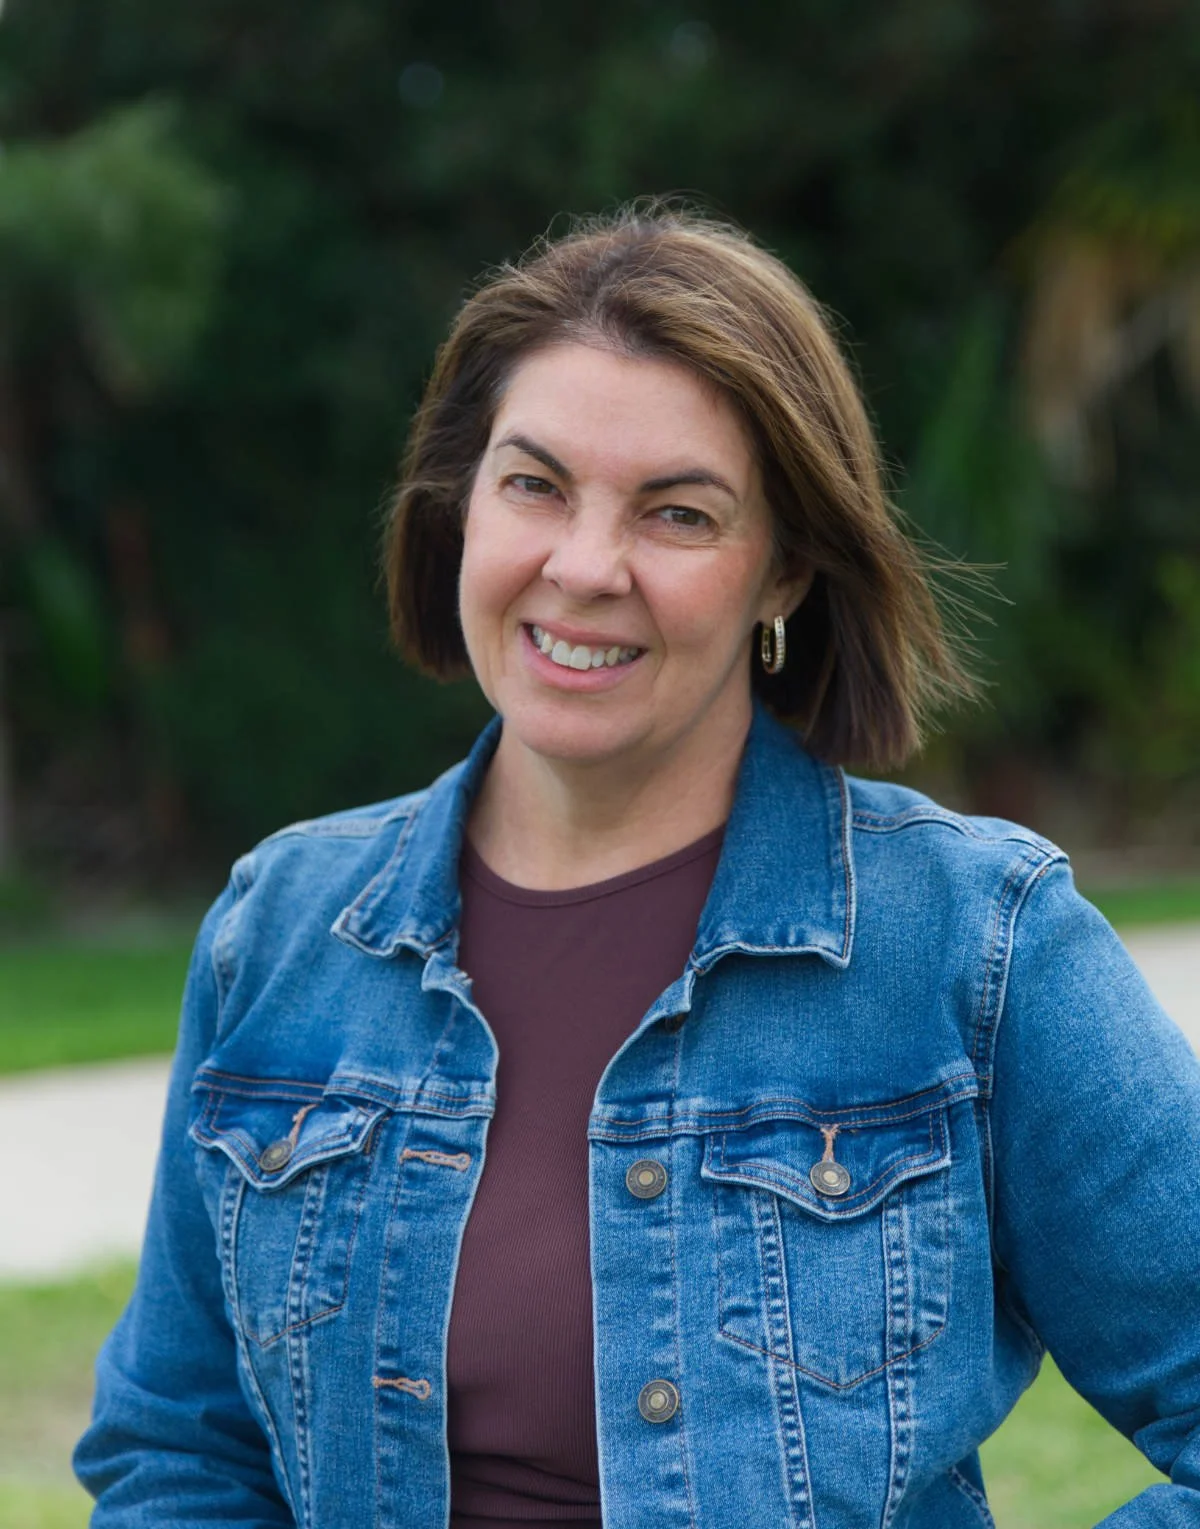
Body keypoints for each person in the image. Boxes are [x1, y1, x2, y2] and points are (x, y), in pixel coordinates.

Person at [75, 206, 1200, 1529]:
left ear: (782, 572)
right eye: (535, 484)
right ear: (460, 502)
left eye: (678, 513)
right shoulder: (281, 932)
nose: (585, 566)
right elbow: (180, 1455)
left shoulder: (978, 948)